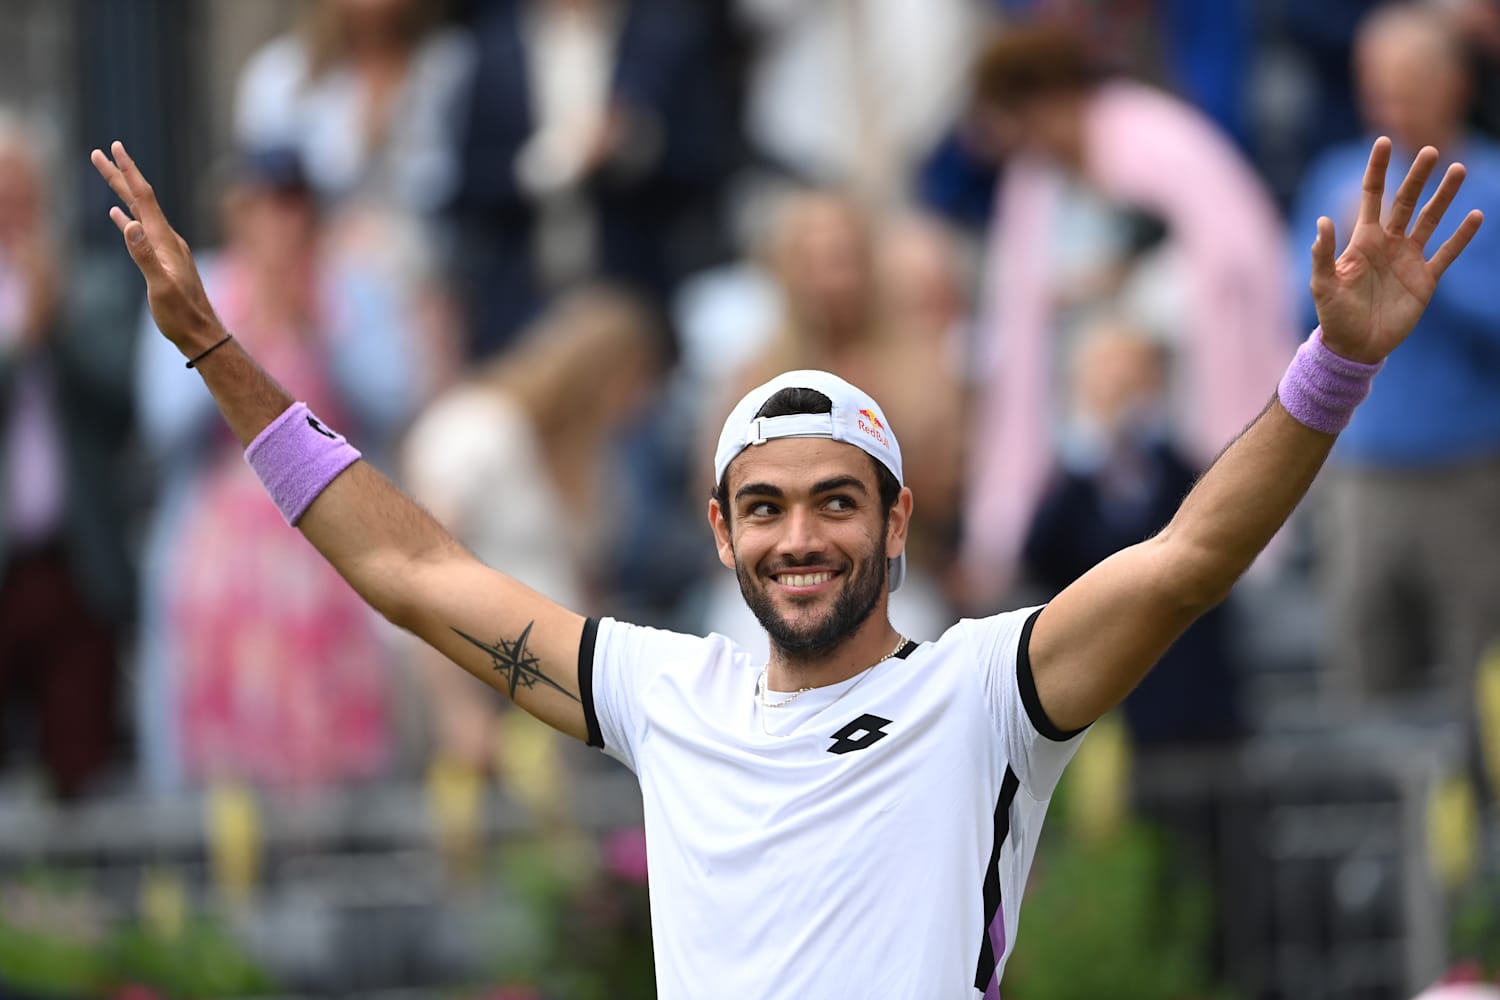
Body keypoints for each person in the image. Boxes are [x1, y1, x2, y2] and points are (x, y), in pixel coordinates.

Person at [93, 133, 1479, 996]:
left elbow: (1185, 558)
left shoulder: (985, 690)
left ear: (895, 521)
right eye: (763, 509)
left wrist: (1336, 364)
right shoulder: (662, 692)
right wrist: (216, 350)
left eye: (833, 504)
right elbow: (413, 575)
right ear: (720, 532)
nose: (799, 537)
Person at [960, 23, 1296, 607]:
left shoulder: (1164, 140)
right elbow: (1019, 319)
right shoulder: (1032, 183)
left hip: (1181, 407)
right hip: (1083, 434)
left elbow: (1235, 260)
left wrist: (1130, 290)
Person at [1289, 3, 1500, 721]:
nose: (1390, 103)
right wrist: (1350, 260)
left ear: (1457, 84)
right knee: (1361, 661)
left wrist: (1421, 274)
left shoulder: (1492, 184)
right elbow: (1298, 308)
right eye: (1376, 84)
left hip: (1472, 471)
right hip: (1362, 470)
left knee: (1480, 670)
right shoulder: (1336, 180)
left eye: (1409, 83)